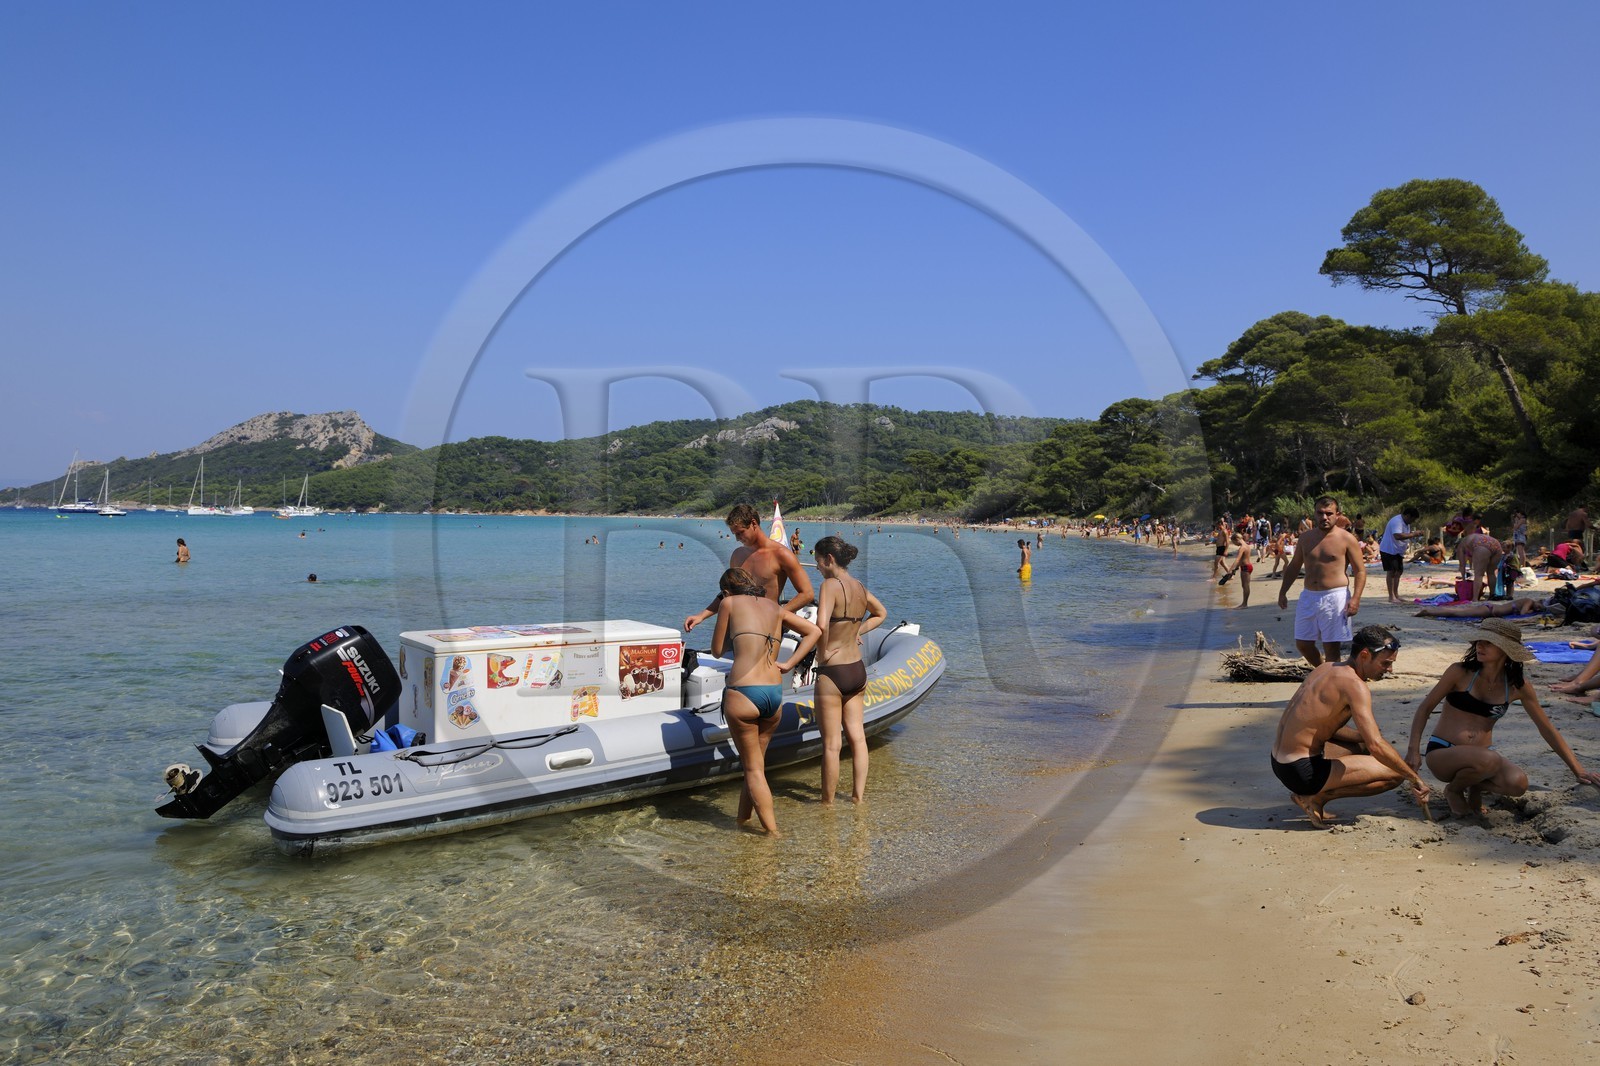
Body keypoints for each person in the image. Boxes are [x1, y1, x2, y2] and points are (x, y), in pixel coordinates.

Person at [1405, 618, 1600, 818]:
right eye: (1479, 641)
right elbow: (1425, 708)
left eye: (1488, 642)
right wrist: (1413, 751)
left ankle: (1475, 787)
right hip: (1444, 752)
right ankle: (1454, 790)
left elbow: (1547, 729)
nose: (1480, 645)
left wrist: (1578, 770)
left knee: (1518, 783)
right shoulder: (1460, 672)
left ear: (1505, 649)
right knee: (1490, 759)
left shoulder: (1518, 686)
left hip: (1484, 758)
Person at [1269, 625, 1431, 827]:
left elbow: (1321, 724)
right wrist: (1414, 778)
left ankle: (1312, 793)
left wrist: (1361, 738)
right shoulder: (1355, 686)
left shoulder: (1326, 668)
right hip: (1301, 771)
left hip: (1279, 762)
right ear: (1364, 655)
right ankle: (1314, 798)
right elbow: (1376, 746)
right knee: (1396, 772)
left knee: (1362, 744)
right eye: (1386, 663)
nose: (1390, 670)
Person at [709, 567, 820, 835]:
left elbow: (716, 650)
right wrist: (791, 663)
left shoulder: (728, 603)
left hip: (744, 692)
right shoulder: (775, 607)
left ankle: (772, 833)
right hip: (773, 694)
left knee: (753, 768)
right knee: (756, 765)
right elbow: (815, 632)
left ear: (726, 591)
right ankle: (742, 819)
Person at [811, 536, 887, 805]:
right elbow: (881, 613)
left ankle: (828, 805)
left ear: (829, 559)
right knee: (857, 738)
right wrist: (857, 630)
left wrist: (821, 653)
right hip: (857, 670)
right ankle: (857, 799)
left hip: (832, 672)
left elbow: (821, 625)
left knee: (832, 744)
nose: (817, 566)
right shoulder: (859, 586)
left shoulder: (829, 585)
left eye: (818, 561)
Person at [683, 504, 814, 632]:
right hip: (739, 626)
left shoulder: (781, 554)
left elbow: (807, 594)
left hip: (767, 628)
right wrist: (702, 616)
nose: (737, 538)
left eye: (740, 533)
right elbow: (728, 593)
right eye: (734, 534)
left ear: (753, 523)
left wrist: (779, 614)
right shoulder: (737, 555)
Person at [1277, 496, 1365, 666]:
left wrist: (1356, 598)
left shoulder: (1346, 538)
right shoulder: (1305, 538)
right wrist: (1283, 592)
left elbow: (1360, 570)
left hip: (1335, 597)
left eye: (1329, 513)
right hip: (1308, 596)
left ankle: (1332, 681)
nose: (1324, 517)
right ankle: (1323, 671)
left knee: (1331, 647)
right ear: (1315, 514)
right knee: (1303, 643)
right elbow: (1295, 566)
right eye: (1320, 513)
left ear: (1337, 515)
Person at [1378, 507, 1422, 604]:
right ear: (1408, 516)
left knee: (1398, 571)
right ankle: (1391, 596)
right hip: (1389, 549)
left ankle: (1396, 594)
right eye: (1413, 519)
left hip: (1397, 551)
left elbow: (1405, 535)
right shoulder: (1397, 521)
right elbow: (1397, 536)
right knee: (1391, 572)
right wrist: (1414, 534)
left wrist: (1413, 535)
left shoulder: (1406, 523)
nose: (1413, 521)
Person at [1456, 529, 1505, 602]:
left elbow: (1462, 566)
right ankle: (1492, 594)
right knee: (1491, 573)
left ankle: (1475, 598)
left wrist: (1464, 581)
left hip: (1481, 544)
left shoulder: (1461, 546)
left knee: (1478, 574)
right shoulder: (1470, 539)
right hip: (1496, 544)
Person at [1219, 530, 1252, 608]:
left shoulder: (1242, 548)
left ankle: (1244, 604)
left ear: (1237, 539)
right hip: (1248, 566)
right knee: (1245, 585)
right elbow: (1242, 560)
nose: (1235, 544)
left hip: (1245, 568)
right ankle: (1244, 603)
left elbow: (1237, 559)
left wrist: (1229, 571)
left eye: (1234, 542)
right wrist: (1235, 570)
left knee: (1245, 586)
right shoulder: (1247, 546)